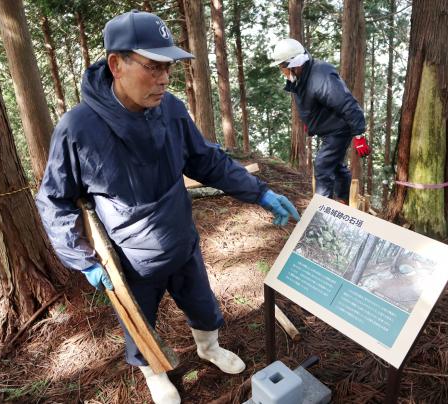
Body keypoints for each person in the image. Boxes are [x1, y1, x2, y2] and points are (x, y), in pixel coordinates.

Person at [36, 11, 299, 404]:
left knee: (203, 306)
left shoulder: (170, 109)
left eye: (168, 68)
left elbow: (206, 161)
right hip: (131, 257)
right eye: (152, 67)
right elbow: (53, 199)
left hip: (181, 236)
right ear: (116, 64)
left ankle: (208, 347)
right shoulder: (79, 129)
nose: (163, 79)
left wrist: (257, 192)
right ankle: (154, 372)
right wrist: (84, 260)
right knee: (140, 324)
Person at [270, 38, 370, 204]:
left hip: (339, 129)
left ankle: (323, 211)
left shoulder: (320, 76)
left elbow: (347, 103)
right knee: (335, 165)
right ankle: (344, 200)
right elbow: (309, 101)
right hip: (330, 129)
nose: (282, 72)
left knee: (323, 166)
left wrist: (359, 135)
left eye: (282, 67)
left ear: (293, 64)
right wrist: (309, 122)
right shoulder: (302, 76)